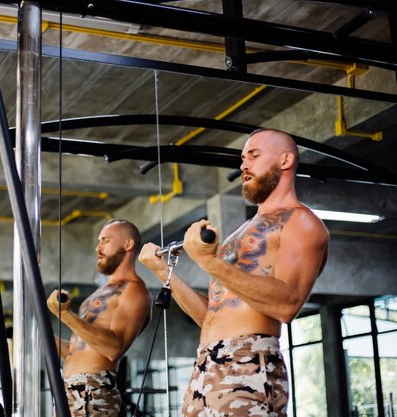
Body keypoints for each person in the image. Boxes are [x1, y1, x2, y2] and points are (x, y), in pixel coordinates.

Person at [139, 128, 329, 417]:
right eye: (242, 159)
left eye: (254, 155)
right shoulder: (243, 230)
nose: (243, 165)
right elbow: (211, 317)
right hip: (208, 361)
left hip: (248, 361)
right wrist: (163, 271)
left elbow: (287, 305)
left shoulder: (301, 222)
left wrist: (210, 263)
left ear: (286, 160)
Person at [47, 219, 153, 417]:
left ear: (128, 245)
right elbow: (77, 351)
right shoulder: (99, 293)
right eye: (99, 241)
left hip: (93, 390)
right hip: (70, 389)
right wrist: (42, 337)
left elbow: (113, 348)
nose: (98, 247)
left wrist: (66, 315)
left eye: (106, 240)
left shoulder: (134, 291)